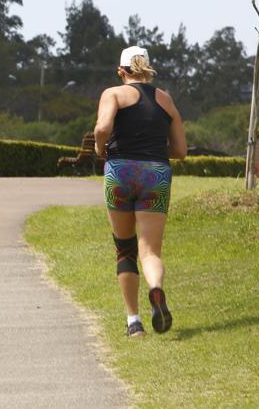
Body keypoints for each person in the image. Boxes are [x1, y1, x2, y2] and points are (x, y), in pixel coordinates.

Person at [94, 46, 187, 338]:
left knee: (125, 248)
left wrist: (100, 149)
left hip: (120, 171)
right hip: (156, 174)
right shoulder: (166, 100)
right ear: (147, 69)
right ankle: (156, 290)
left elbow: (102, 128)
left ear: (121, 71)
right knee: (150, 251)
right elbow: (181, 150)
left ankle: (134, 322)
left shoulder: (113, 94)